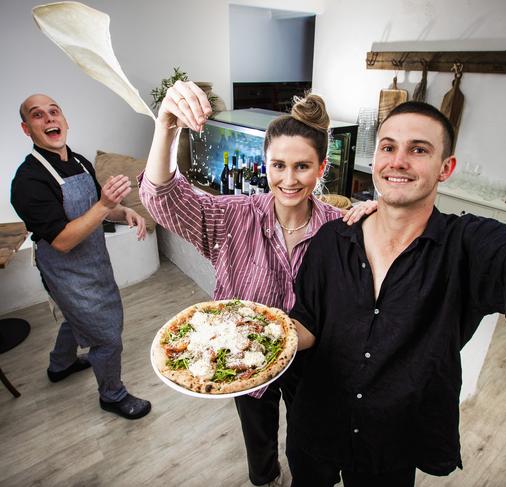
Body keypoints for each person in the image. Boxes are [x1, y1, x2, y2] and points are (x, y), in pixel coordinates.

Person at [286, 100, 506, 486]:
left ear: (446, 168)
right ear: (375, 158)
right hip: (317, 420)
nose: (398, 160)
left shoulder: (466, 244)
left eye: (419, 149)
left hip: (391, 438)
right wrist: (263, 342)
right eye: (389, 147)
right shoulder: (331, 239)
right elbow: (308, 318)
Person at [139, 81, 376, 487]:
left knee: (310, 438)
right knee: (258, 434)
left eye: (302, 166)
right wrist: (166, 127)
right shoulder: (234, 218)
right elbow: (162, 198)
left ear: (321, 169)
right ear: (264, 164)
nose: (289, 179)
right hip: (243, 360)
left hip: (314, 362)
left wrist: (379, 213)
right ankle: (265, 479)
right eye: (278, 165)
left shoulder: (340, 230)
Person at [10, 94, 151, 419]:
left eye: (54, 112)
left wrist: (123, 212)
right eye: (38, 115)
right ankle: (112, 395)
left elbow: (97, 212)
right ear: (26, 128)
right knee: (107, 336)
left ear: (65, 121)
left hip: (95, 262)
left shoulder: (79, 162)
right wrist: (104, 205)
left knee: (77, 320)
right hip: (64, 270)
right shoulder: (28, 181)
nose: (49, 119)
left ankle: (60, 365)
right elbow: (61, 241)